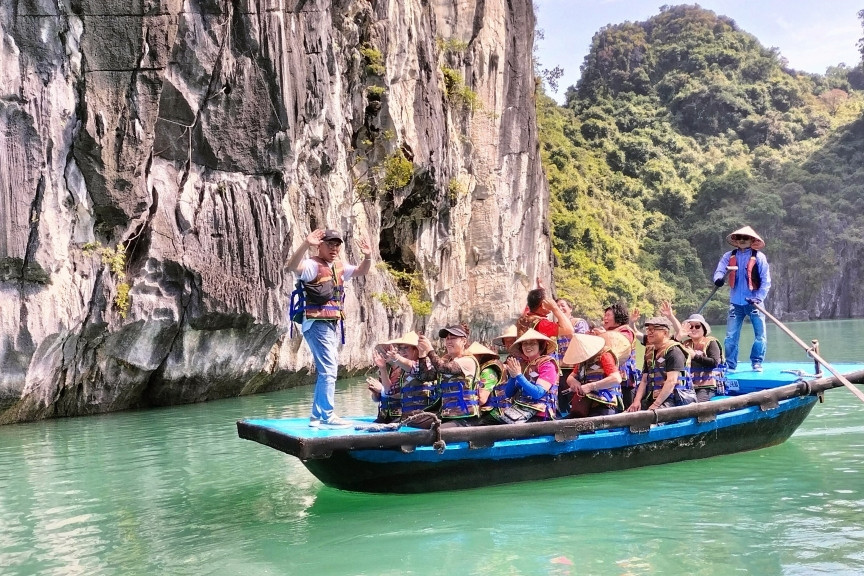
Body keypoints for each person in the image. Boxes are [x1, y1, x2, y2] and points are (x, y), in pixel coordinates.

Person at [285, 228, 372, 427]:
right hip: (317, 322)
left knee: (328, 369)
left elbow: (361, 271)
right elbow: (292, 266)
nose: (334, 248)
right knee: (329, 370)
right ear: (320, 246)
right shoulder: (312, 265)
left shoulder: (338, 266)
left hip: (330, 324)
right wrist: (306, 244)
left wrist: (368, 256)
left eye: (336, 245)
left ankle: (317, 417)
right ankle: (327, 415)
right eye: (329, 244)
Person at [712, 226, 771, 373]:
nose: (742, 240)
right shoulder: (729, 256)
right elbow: (720, 270)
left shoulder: (759, 257)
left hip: (755, 303)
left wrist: (758, 298)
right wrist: (718, 279)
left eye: (746, 238)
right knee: (730, 336)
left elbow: (766, 280)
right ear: (735, 241)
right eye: (739, 238)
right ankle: (731, 365)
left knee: (760, 336)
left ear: (752, 240)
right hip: (735, 303)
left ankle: (756, 362)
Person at [416, 324, 481, 427]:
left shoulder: (467, 361)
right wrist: (422, 354)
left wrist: (429, 350)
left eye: (453, 338)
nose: (449, 341)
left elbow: (442, 368)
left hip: (464, 418)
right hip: (445, 415)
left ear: (464, 341)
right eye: (447, 339)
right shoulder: (446, 360)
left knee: (435, 432)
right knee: (412, 423)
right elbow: (425, 376)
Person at [627, 316, 696, 411]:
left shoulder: (674, 351)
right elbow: (644, 380)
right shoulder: (650, 351)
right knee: (627, 415)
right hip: (651, 398)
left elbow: (671, 381)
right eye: (648, 329)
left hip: (673, 399)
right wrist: (636, 401)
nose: (649, 332)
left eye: (654, 329)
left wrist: (656, 405)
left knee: (651, 423)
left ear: (665, 332)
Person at [367, 331, 437, 422]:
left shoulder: (425, 364)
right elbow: (389, 392)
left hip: (421, 416)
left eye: (406, 348)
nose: (402, 351)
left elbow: (413, 367)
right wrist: (382, 368)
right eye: (400, 348)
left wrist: (396, 358)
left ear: (416, 349)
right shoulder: (403, 370)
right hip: (406, 417)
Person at [499, 329, 560, 423]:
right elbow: (508, 393)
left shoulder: (547, 365)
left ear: (541, 346)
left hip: (541, 415)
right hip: (521, 410)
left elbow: (538, 393)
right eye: (525, 343)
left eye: (533, 343)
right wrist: (513, 376)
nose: (528, 346)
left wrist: (519, 375)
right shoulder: (522, 364)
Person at [563, 333, 623, 417]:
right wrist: (574, 382)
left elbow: (616, 379)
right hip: (585, 404)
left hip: (604, 404)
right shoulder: (582, 360)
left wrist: (590, 386)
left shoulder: (605, 355)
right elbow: (570, 377)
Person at [596, 301, 640, 409]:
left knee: (627, 407)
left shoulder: (626, 331)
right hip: (611, 375)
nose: (605, 318)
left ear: (618, 316)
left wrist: (602, 336)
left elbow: (619, 344)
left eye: (608, 315)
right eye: (604, 315)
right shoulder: (607, 331)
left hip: (626, 379)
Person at [679, 314, 724, 401]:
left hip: (707, 386)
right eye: (691, 327)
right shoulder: (685, 344)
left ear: (703, 329)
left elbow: (714, 363)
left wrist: (695, 356)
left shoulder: (711, 342)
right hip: (689, 385)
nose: (694, 329)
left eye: (697, 326)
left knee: (698, 404)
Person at [465, 342, 508, 424]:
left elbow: (482, 399)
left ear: (481, 356)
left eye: (472, 356)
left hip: (493, 414)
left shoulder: (487, 371)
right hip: (483, 412)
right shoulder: (478, 369)